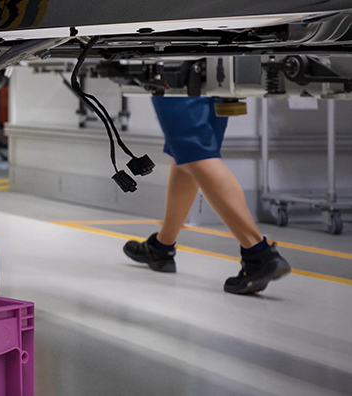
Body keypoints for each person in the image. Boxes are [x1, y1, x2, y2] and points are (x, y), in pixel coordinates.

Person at [123, 96, 291, 294]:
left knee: (196, 154)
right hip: (215, 72)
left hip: (178, 69)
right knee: (187, 156)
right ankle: (161, 248)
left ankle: (259, 253)